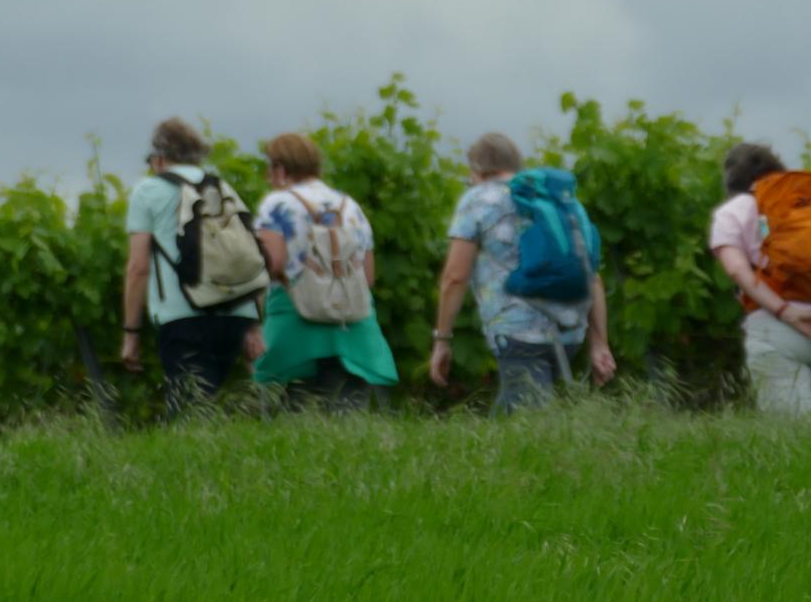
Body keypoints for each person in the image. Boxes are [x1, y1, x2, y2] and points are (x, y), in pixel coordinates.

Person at [429, 132, 616, 411]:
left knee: (528, 429)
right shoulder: (555, 200)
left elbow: (455, 277)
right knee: (515, 418)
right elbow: (592, 275)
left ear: (477, 170)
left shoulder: (478, 199)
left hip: (518, 332)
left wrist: (442, 340)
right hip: (570, 329)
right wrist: (599, 342)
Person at [120, 118, 266, 418]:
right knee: (210, 408)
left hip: (183, 314)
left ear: (159, 158)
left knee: (191, 417)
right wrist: (254, 324)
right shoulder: (221, 186)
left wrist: (131, 332)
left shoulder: (148, 191)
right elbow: (245, 253)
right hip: (235, 314)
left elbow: (138, 267)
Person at [707, 143, 811, 416]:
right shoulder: (806, 204)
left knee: (793, 441)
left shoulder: (733, 212)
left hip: (778, 329)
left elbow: (736, 270)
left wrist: (787, 313)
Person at [250, 132, 398, 410]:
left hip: (296, 324)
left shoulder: (277, 203)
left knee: (293, 427)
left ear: (280, 169)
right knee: (348, 425)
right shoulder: (350, 206)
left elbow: (274, 263)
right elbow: (367, 277)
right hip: (352, 327)